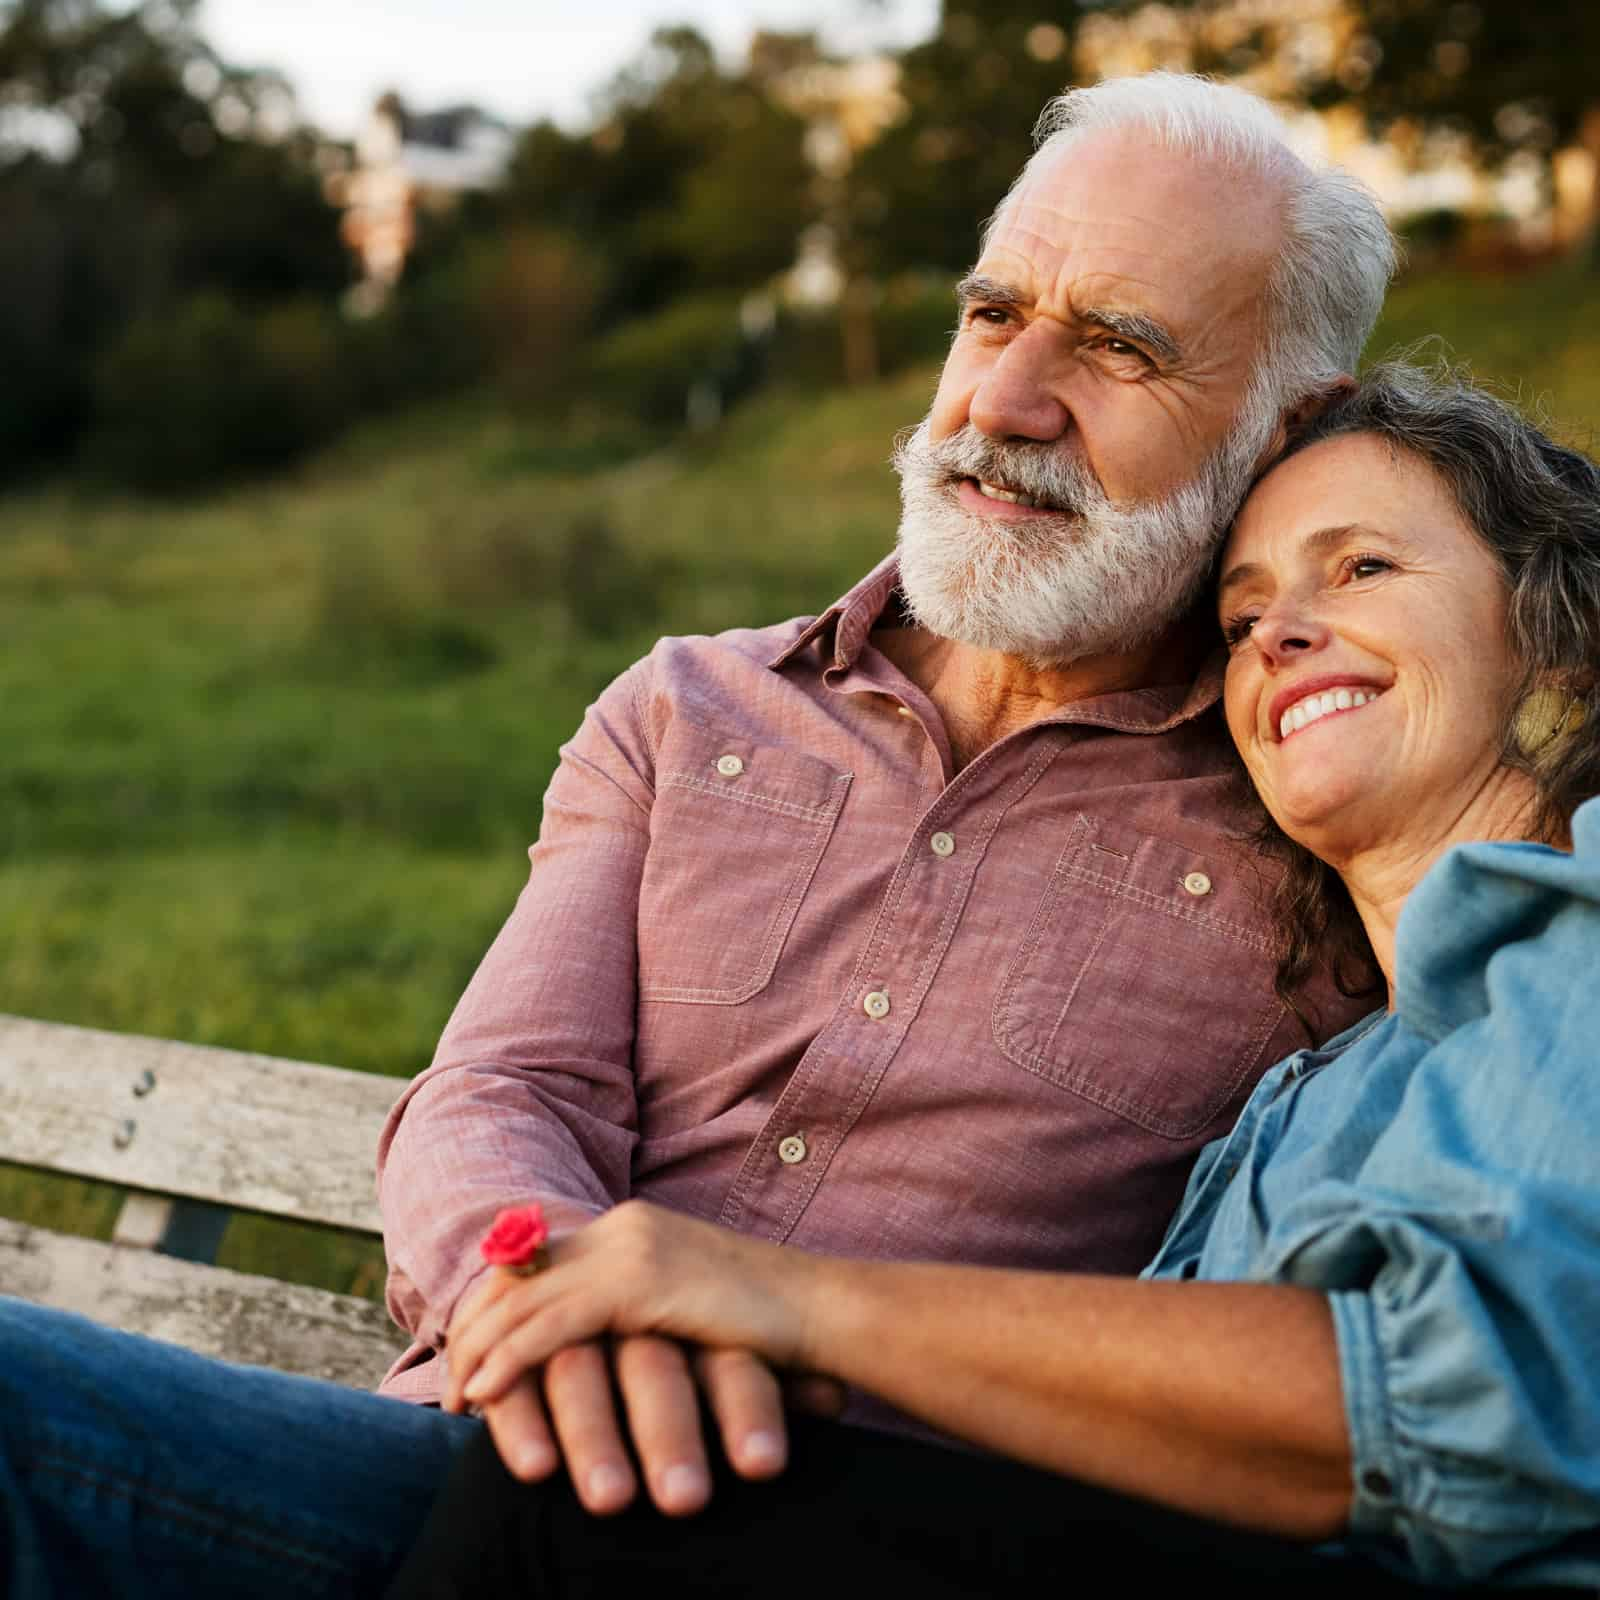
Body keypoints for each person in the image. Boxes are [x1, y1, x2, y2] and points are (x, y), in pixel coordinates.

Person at [389, 359, 1600, 1597]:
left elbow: (1463, 1401)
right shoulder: (1306, 1096)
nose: (1279, 632)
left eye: (1361, 569)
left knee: (572, 1520)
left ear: (1559, 640)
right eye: (1238, 621)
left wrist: (788, 1302)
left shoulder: (1581, 935)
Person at [375, 70, 1394, 1515]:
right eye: (992, 315)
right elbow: (507, 1090)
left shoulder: (1325, 820)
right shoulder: (689, 706)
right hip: (476, 1445)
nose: (1007, 399)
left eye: (1117, 347)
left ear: (1289, 429)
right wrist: (550, 1309)